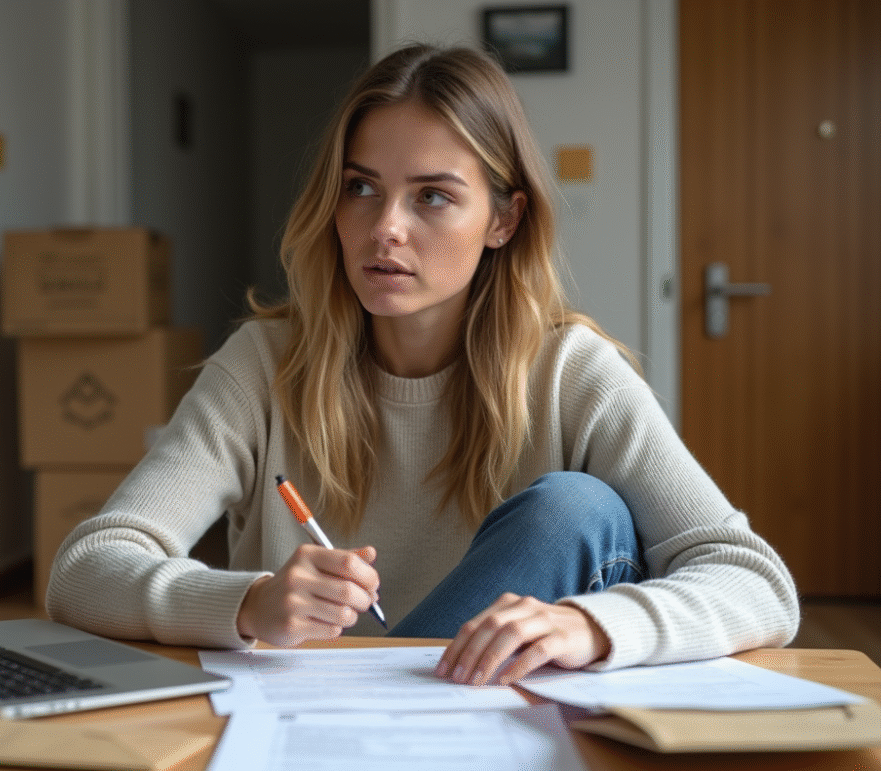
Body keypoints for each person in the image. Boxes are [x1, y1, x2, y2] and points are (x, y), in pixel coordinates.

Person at [46, 43, 798, 686]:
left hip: (484, 723)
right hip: (302, 714)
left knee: (577, 511)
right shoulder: (264, 365)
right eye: (361, 189)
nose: (385, 229)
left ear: (504, 219)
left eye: (433, 197)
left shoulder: (571, 372)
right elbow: (84, 569)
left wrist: (592, 626)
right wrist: (246, 604)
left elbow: (757, 583)